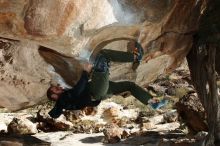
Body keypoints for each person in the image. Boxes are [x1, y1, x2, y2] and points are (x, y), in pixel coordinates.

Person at [47, 42, 168, 118]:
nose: (58, 88)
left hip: (100, 93)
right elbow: (78, 90)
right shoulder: (63, 99)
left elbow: (80, 93)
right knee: (102, 56)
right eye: (56, 89)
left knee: (129, 86)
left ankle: (153, 102)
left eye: (56, 87)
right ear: (54, 97)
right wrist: (86, 71)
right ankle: (135, 57)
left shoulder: (66, 100)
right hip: (96, 91)